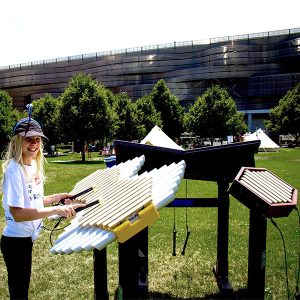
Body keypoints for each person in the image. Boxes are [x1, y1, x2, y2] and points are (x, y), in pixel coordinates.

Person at [0, 116, 85, 300]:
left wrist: (58, 198)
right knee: (19, 293)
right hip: (15, 243)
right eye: (28, 138)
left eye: (37, 139)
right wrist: (56, 211)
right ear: (17, 141)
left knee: (21, 291)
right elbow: (18, 213)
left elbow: (34, 200)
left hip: (25, 241)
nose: (34, 143)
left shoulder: (31, 166)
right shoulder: (15, 169)